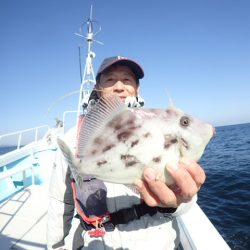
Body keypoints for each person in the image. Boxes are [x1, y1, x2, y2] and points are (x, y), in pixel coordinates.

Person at [47, 56, 206, 250]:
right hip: (97, 242)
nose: (119, 87)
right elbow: (60, 201)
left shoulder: (159, 126)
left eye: (127, 79)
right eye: (110, 80)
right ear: (98, 87)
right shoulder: (74, 139)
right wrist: (56, 246)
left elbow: (187, 204)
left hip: (157, 241)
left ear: (137, 89)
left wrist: (178, 200)